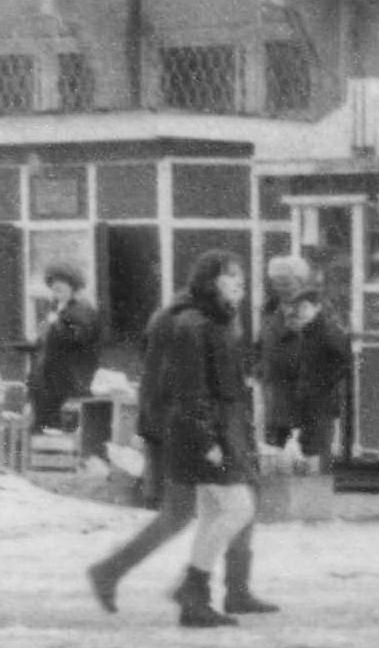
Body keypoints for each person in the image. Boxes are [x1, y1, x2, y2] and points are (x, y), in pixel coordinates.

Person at [84, 252, 276, 627]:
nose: (240, 282)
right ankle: (195, 588)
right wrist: (208, 439)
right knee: (235, 509)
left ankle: (194, 592)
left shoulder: (212, 319)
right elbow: (189, 388)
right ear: (210, 280)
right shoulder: (193, 323)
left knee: (203, 514)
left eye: (240, 276)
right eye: (230, 276)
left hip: (206, 429)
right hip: (201, 432)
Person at [257, 255, 353, 464]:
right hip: (279, 405)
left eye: (286, 281)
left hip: (314, 409)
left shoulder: (320, 310)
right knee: (278, 470)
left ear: (301, 281)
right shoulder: (269, 311)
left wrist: (322, 382)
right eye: (276, 281)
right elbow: (261, 348)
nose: (280, 287)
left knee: (313, 470)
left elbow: (344, 356)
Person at [29, 264, 103, 433]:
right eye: (54, 290)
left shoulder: (82, 311)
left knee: (61, 429)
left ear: (73, 289)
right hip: (50, 381)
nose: (56, 295)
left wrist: (57, 325)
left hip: (68, 382)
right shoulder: (59, 310)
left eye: (60, 290)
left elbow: (79, 338)